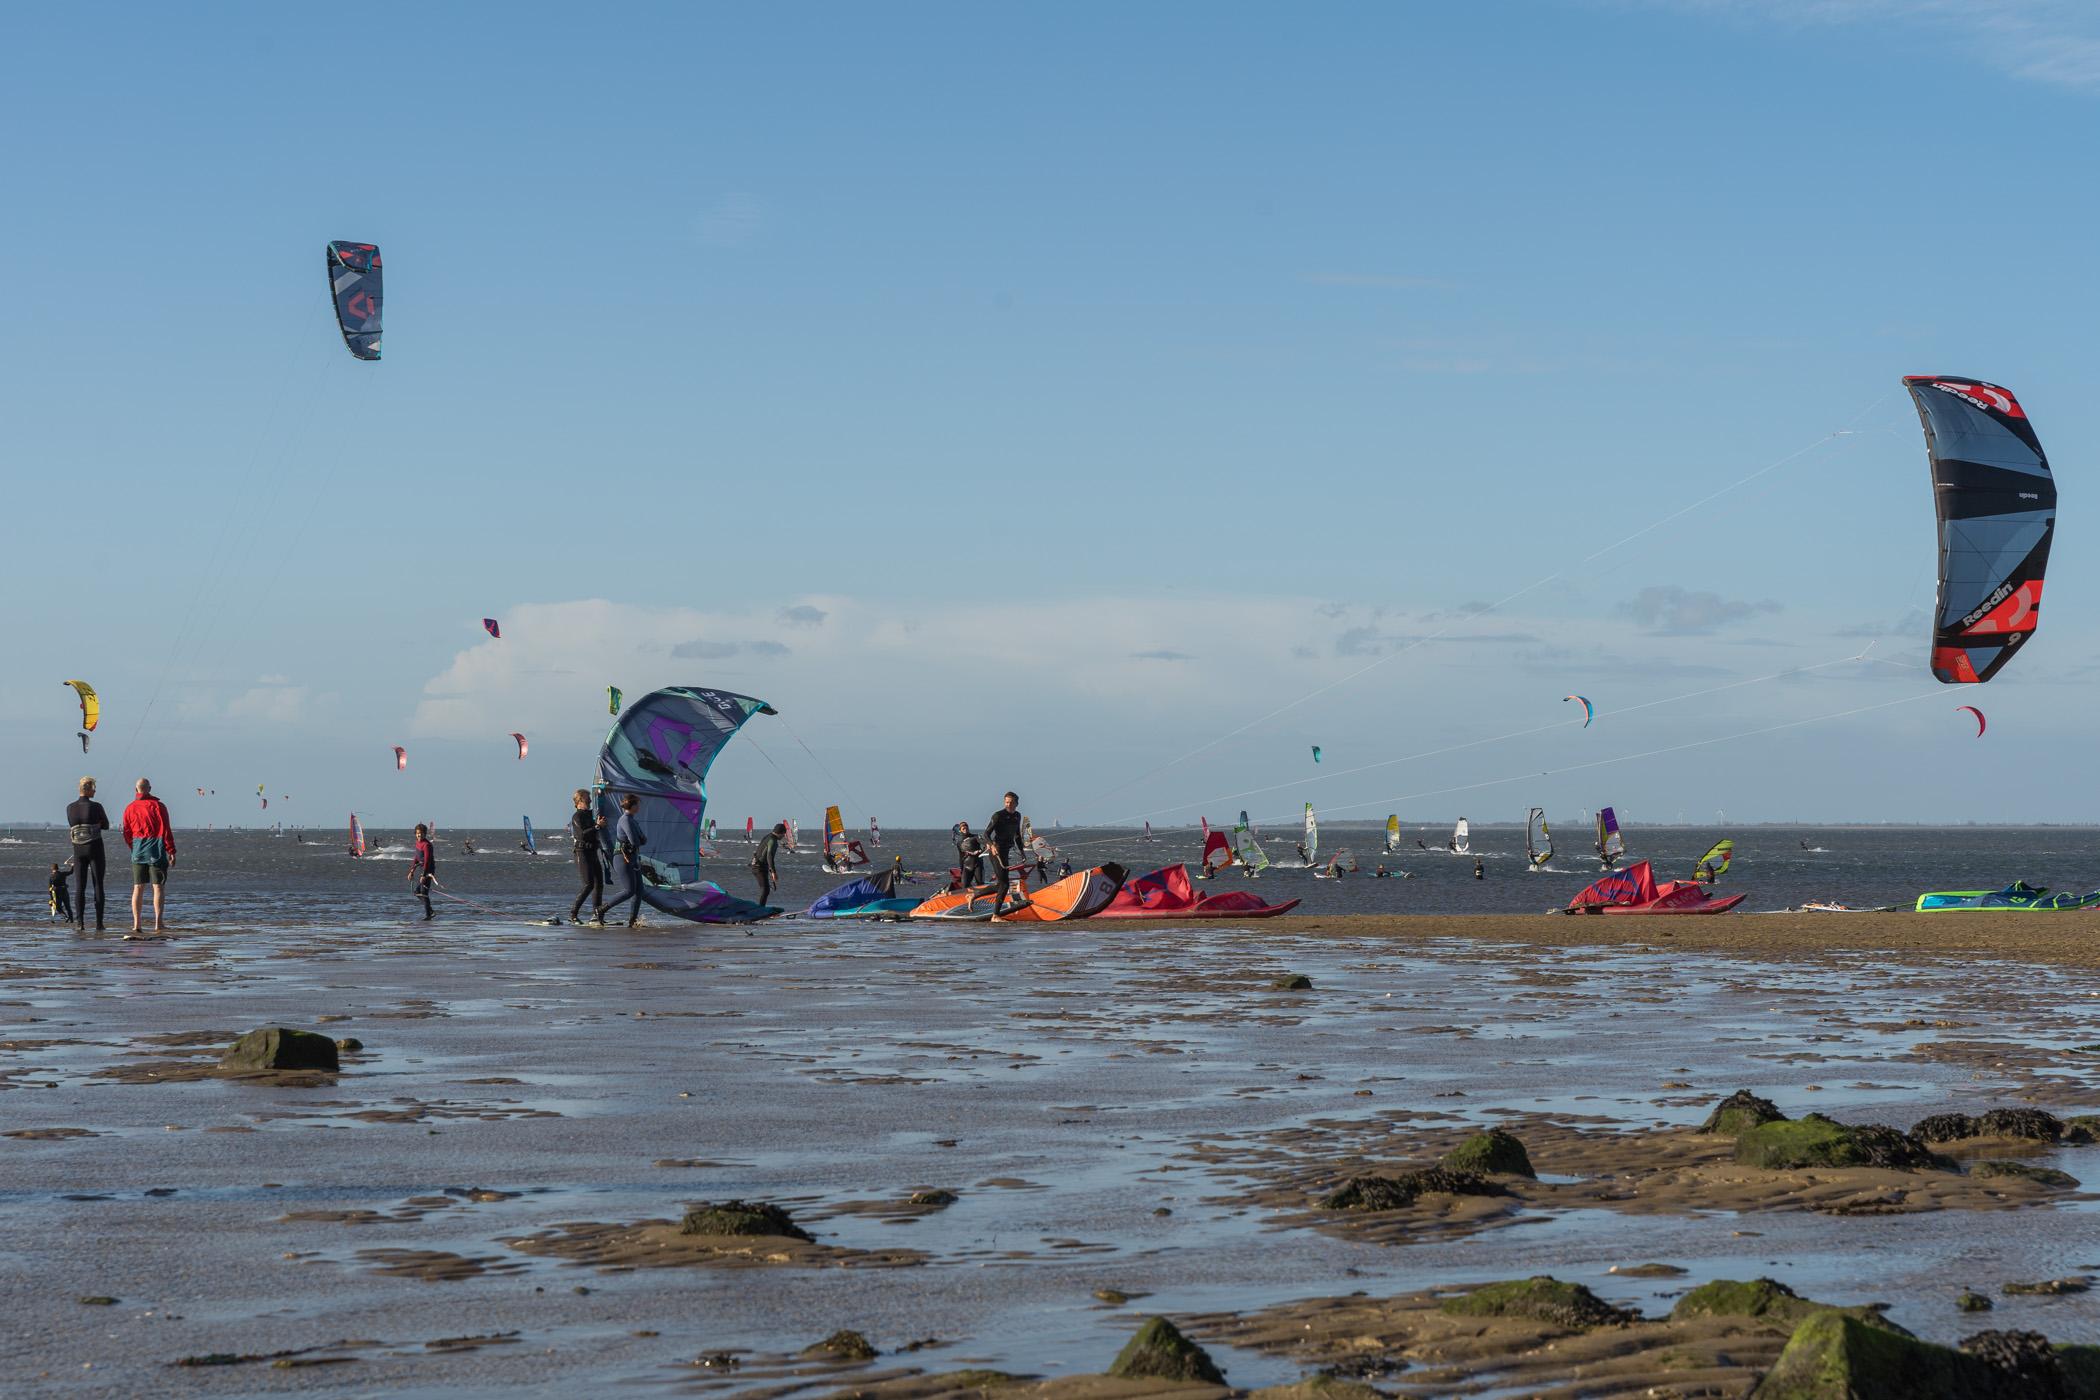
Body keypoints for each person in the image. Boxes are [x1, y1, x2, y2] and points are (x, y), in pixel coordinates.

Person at [121, 778, 177, 935]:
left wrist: (133, 847)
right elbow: (166, 830)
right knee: (157, 887)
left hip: (138, 849)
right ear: (149, 788)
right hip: (156, 849)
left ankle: (136, 924)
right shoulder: (158, 806)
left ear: (136, 789)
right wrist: (171, 850)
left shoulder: (129, 808)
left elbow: (126, 832)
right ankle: (158, 923)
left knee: (138, 887)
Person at [65, 777, 109, 932]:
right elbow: (106, 825)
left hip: (78, 850)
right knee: (98, 885)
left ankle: (80, 923)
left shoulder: (70, 807)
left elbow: (72, 823)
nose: (95, 791)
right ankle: (99, 923)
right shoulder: (96, 806)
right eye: (94, 788)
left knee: (79, 887)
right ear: (89, 789)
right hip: (95, 848)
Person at [568, 789, 606, 925]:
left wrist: (602, 795)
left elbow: (600, 809)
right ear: (579, 801)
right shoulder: (576, 817)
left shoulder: (591, 814)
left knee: (599, 884)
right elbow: (582, 835)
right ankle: (573, 914)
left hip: (593, 852)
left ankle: (597, 916)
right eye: (587, 799)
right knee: (589, 884)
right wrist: (597, 827)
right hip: (581, 852)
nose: (590, 801)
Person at [609, 795, 649, 925]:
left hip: (632, 858)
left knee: (639, 891)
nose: (639, 807)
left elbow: (642, 839)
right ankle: (602, 909)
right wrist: (640, 840)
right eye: (637, 804)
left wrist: (641, 840)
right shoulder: (625, 820)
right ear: (631, 806)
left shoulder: (632, 820)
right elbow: (635, 840)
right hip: (622, 858)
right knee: (629, 891)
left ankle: (632, 920)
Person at [983, 792, 1025, 909]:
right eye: (1006, 802)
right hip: (996, 851)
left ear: (1016, 804)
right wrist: (991, 845)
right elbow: (986, 834)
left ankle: (974, 895)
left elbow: (1017, 836)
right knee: (1004, 884)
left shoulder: (1017, 816)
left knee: (1001, 884)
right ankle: (995, 915)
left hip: (1006, 851)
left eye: (1011, 802)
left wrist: (1022, 852)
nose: (1008, 804)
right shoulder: (998, 815)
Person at [751, 820, 784, 906]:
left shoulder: (768, 836)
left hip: (758, 865)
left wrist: (769, 869)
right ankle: (760, 910)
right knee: (765, 890)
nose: (784, 836)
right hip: (758, 867)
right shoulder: (773, 841)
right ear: (781, 833)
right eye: (784, 834)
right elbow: (769, 856)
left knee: (765, 890)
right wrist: (773, 872)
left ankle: (761, 908)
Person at [410, 823, 437, 921]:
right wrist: (411, 871)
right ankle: (430, 911)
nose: (419, 835)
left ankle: (428, 915)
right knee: (417, 892)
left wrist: (424, 874)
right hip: (422, 868)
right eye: (417, 833)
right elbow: (416, 858)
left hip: (428, 869)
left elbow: (427, 861)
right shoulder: (417, 843)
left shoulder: (427, 845)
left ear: (425, 834)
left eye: (421, 833)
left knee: (423, 892)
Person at [953, 822, 984, 887]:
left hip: (977, 864)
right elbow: (961, 857)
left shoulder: (975, 837)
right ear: (960, 830)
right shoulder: (959, 843)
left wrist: (980, 851)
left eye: (966, 828)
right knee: (964, 886)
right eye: (963, 828)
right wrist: (961, 868)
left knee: (980, 884)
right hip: (967, 866)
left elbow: (986, 845)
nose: (965, 829)